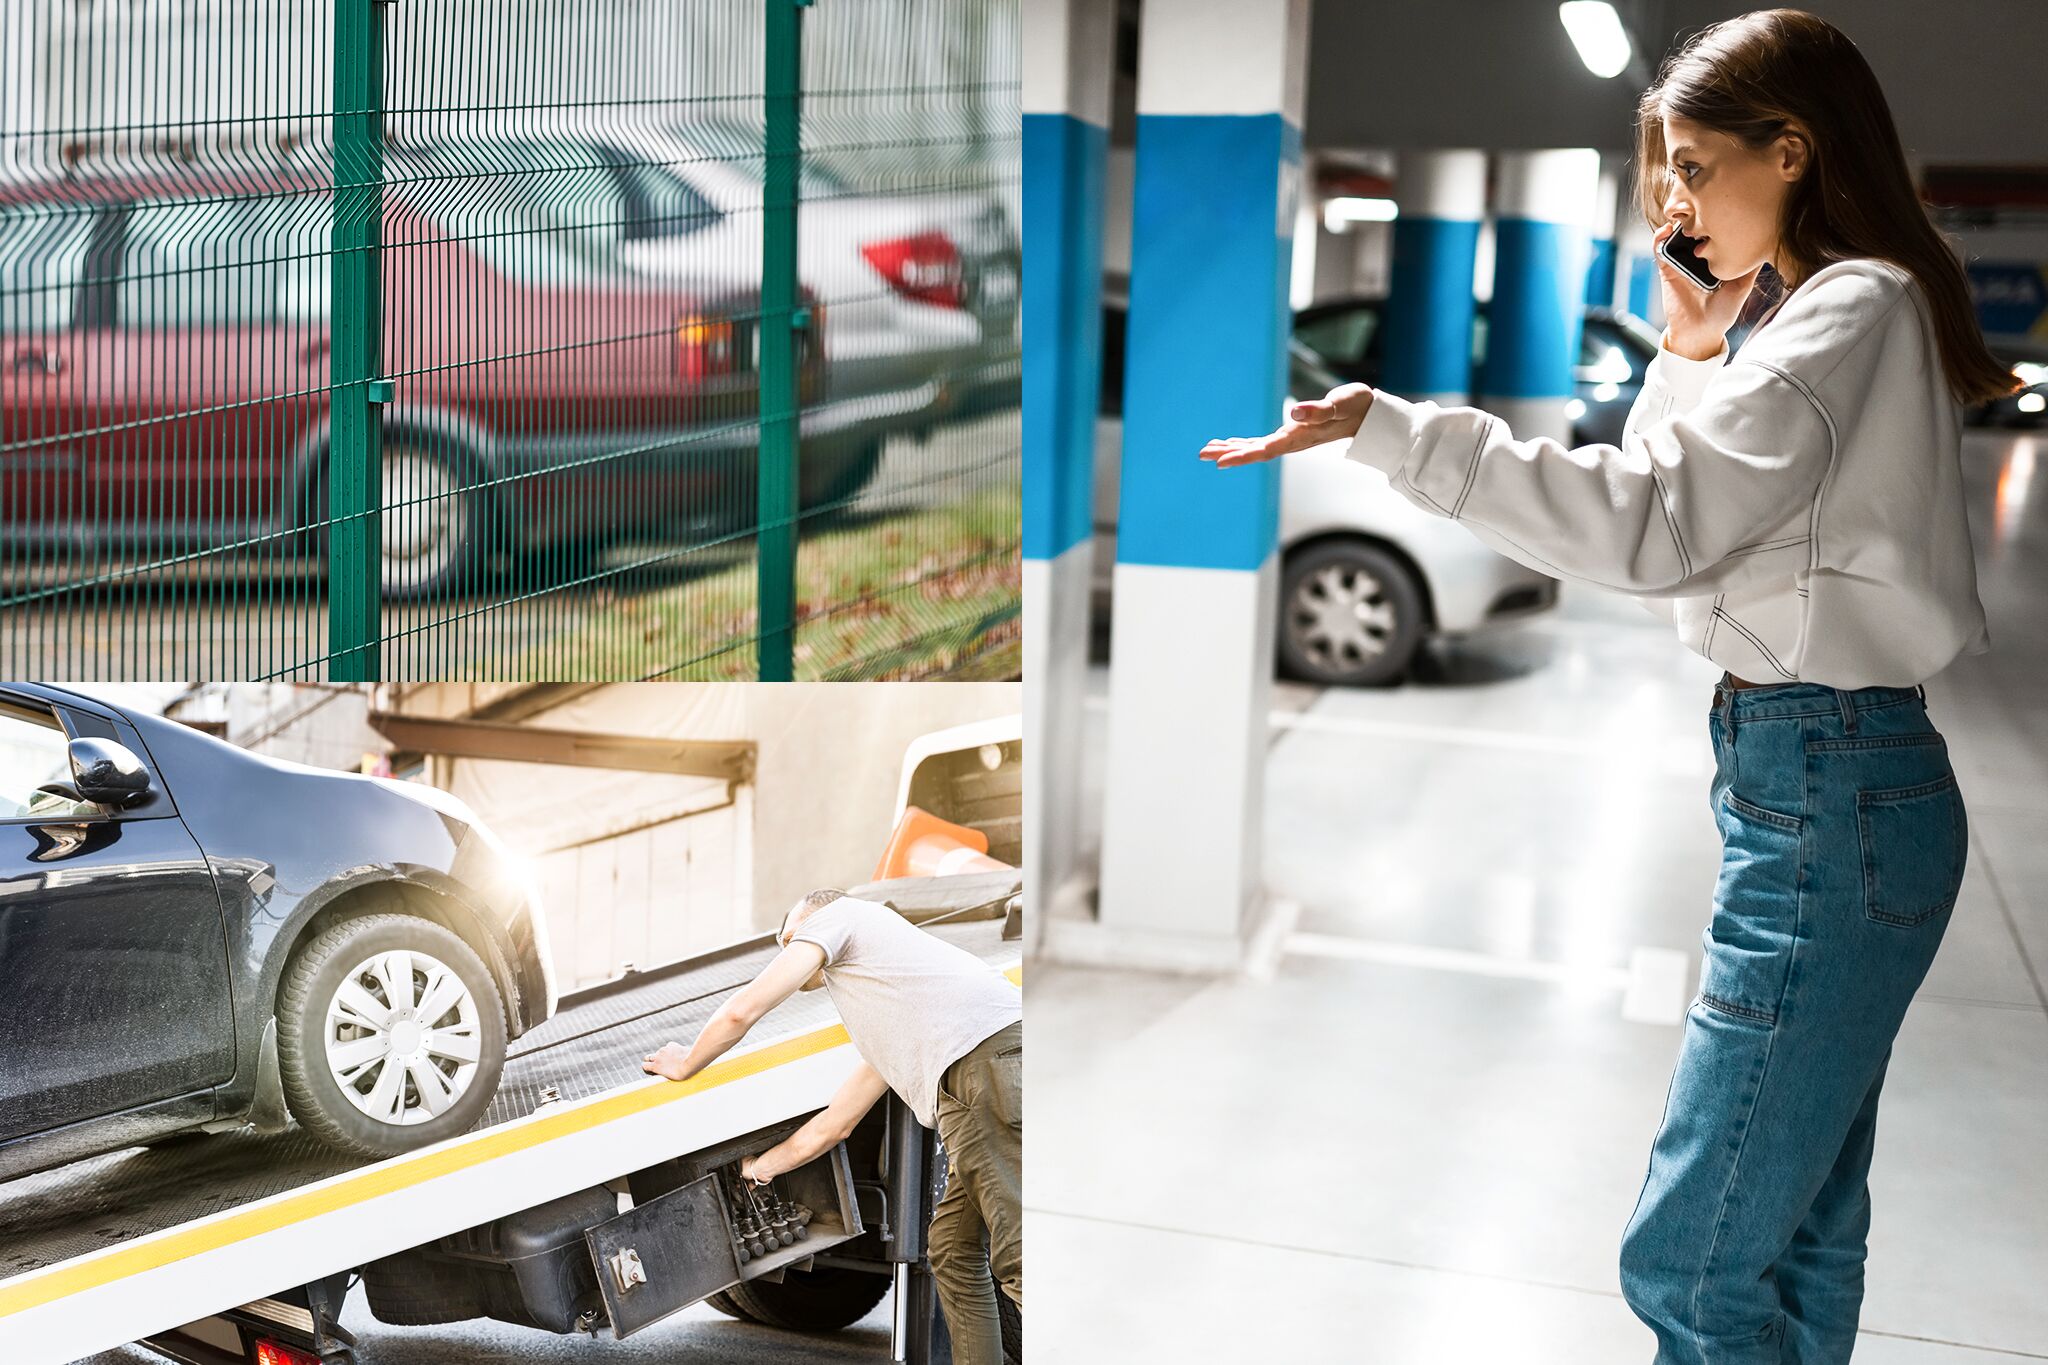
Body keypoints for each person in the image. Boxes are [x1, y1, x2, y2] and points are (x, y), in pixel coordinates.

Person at [1198, 10, 2011, 1362]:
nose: (1677, 203)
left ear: (1793, 153)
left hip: (1829, 793)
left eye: (1697, 165)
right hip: (1831, 786)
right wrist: (1690, 345)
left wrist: (1397, 433)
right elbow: (1681, 505)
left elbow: (1649, 526)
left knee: (1694, 1258)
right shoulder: (1818, 317)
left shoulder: (1853, 308)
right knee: (1797, 1225)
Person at [642, 888, 1021, 1365]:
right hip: (982, 1087)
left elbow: (745, 1010)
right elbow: (836, 1124)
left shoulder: (845, 916)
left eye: (791, 937)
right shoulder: (899, 1010)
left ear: (817, 916)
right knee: (952, 1250)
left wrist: (687, 1061)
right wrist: (759, 1169)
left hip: (991, 1073)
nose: (787, 950)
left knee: (1020, 1259)